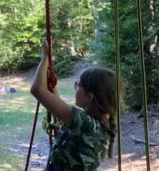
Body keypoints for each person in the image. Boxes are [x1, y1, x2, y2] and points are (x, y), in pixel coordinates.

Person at [30, 40, 118, 170]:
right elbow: (60, 115)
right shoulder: (98, 123)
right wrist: (51, 84)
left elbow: (37, 90)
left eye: (78, 86)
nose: (75, 90)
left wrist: (45, 57)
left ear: (89, 97)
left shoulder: (87, 123)